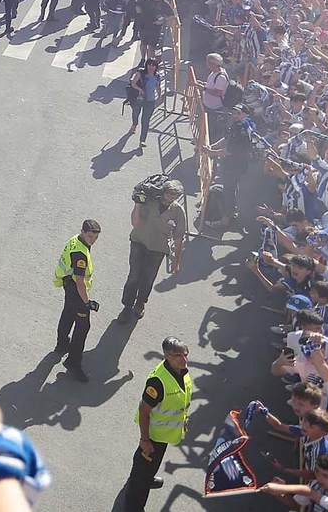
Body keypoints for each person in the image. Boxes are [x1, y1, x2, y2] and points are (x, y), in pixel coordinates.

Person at [123, 337, 193, 512]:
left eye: (186, 354)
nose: (184, 359)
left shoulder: (181, 370)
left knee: (149, 465)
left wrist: (183, 418)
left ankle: (145, 479)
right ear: (167, 355)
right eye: (178, 355)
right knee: (143, 467)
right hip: (153, 435)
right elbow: (144, 410)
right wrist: (144, 440)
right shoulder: (158, 381)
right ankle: (134, 505)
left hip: (165, 434)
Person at [121, 180, 186, 320]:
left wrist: (176, 261)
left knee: (148, 278)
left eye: (174, 196)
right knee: (133, 277)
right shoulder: (150, 202)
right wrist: (137, 205)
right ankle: (127, 306)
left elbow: (179, 238)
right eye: (169, 194)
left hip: (158, 249)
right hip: (139, 242)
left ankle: (140, 303)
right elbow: (135, 223)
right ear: (163, 192)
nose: (171, 198)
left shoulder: (178, 211)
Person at [53, 219, 102, 382]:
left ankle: (61, 344)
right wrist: (87, 303)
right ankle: (73, 363)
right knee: (83, 326)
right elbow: (80, 281)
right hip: (76, 289)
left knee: (68, 313)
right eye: (90, 237)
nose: (93, 240)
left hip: (68, 283)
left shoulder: (76, 240)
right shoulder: (80, 254)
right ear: (82, 232)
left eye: (95, 237)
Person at [126, 58, 165, 150]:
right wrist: (139, 89)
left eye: (153, 65)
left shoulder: (157, 76)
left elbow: (158, 87)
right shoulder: (140, 73)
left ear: (156, 67)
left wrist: (159, 96)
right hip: (139, 99)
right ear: (146, 65)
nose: (151, 67)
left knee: (146, 120)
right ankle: (134, 124)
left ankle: (142, 140)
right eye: (149, 64)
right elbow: (133, 83)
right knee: (136, 113)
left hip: (150, 101)